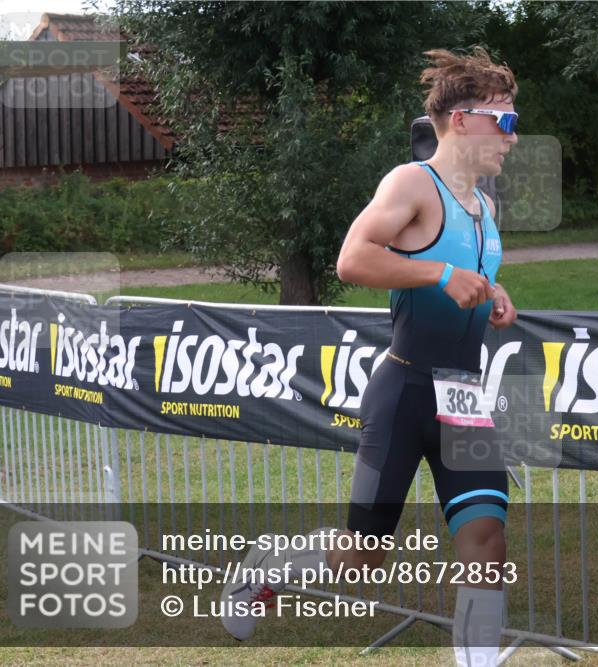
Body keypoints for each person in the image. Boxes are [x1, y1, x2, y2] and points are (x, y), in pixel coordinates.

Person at [221, 47, 519, 667]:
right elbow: (353, 259)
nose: (512, 137)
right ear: (461, 120)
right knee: (362, 554)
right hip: (406, 394)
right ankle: (265, 567)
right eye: (504, 121)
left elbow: (463, 279)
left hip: (464, 398)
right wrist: (440, 273)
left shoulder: (487, 209)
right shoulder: (413, 183)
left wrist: (491, 294)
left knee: (487, 543)